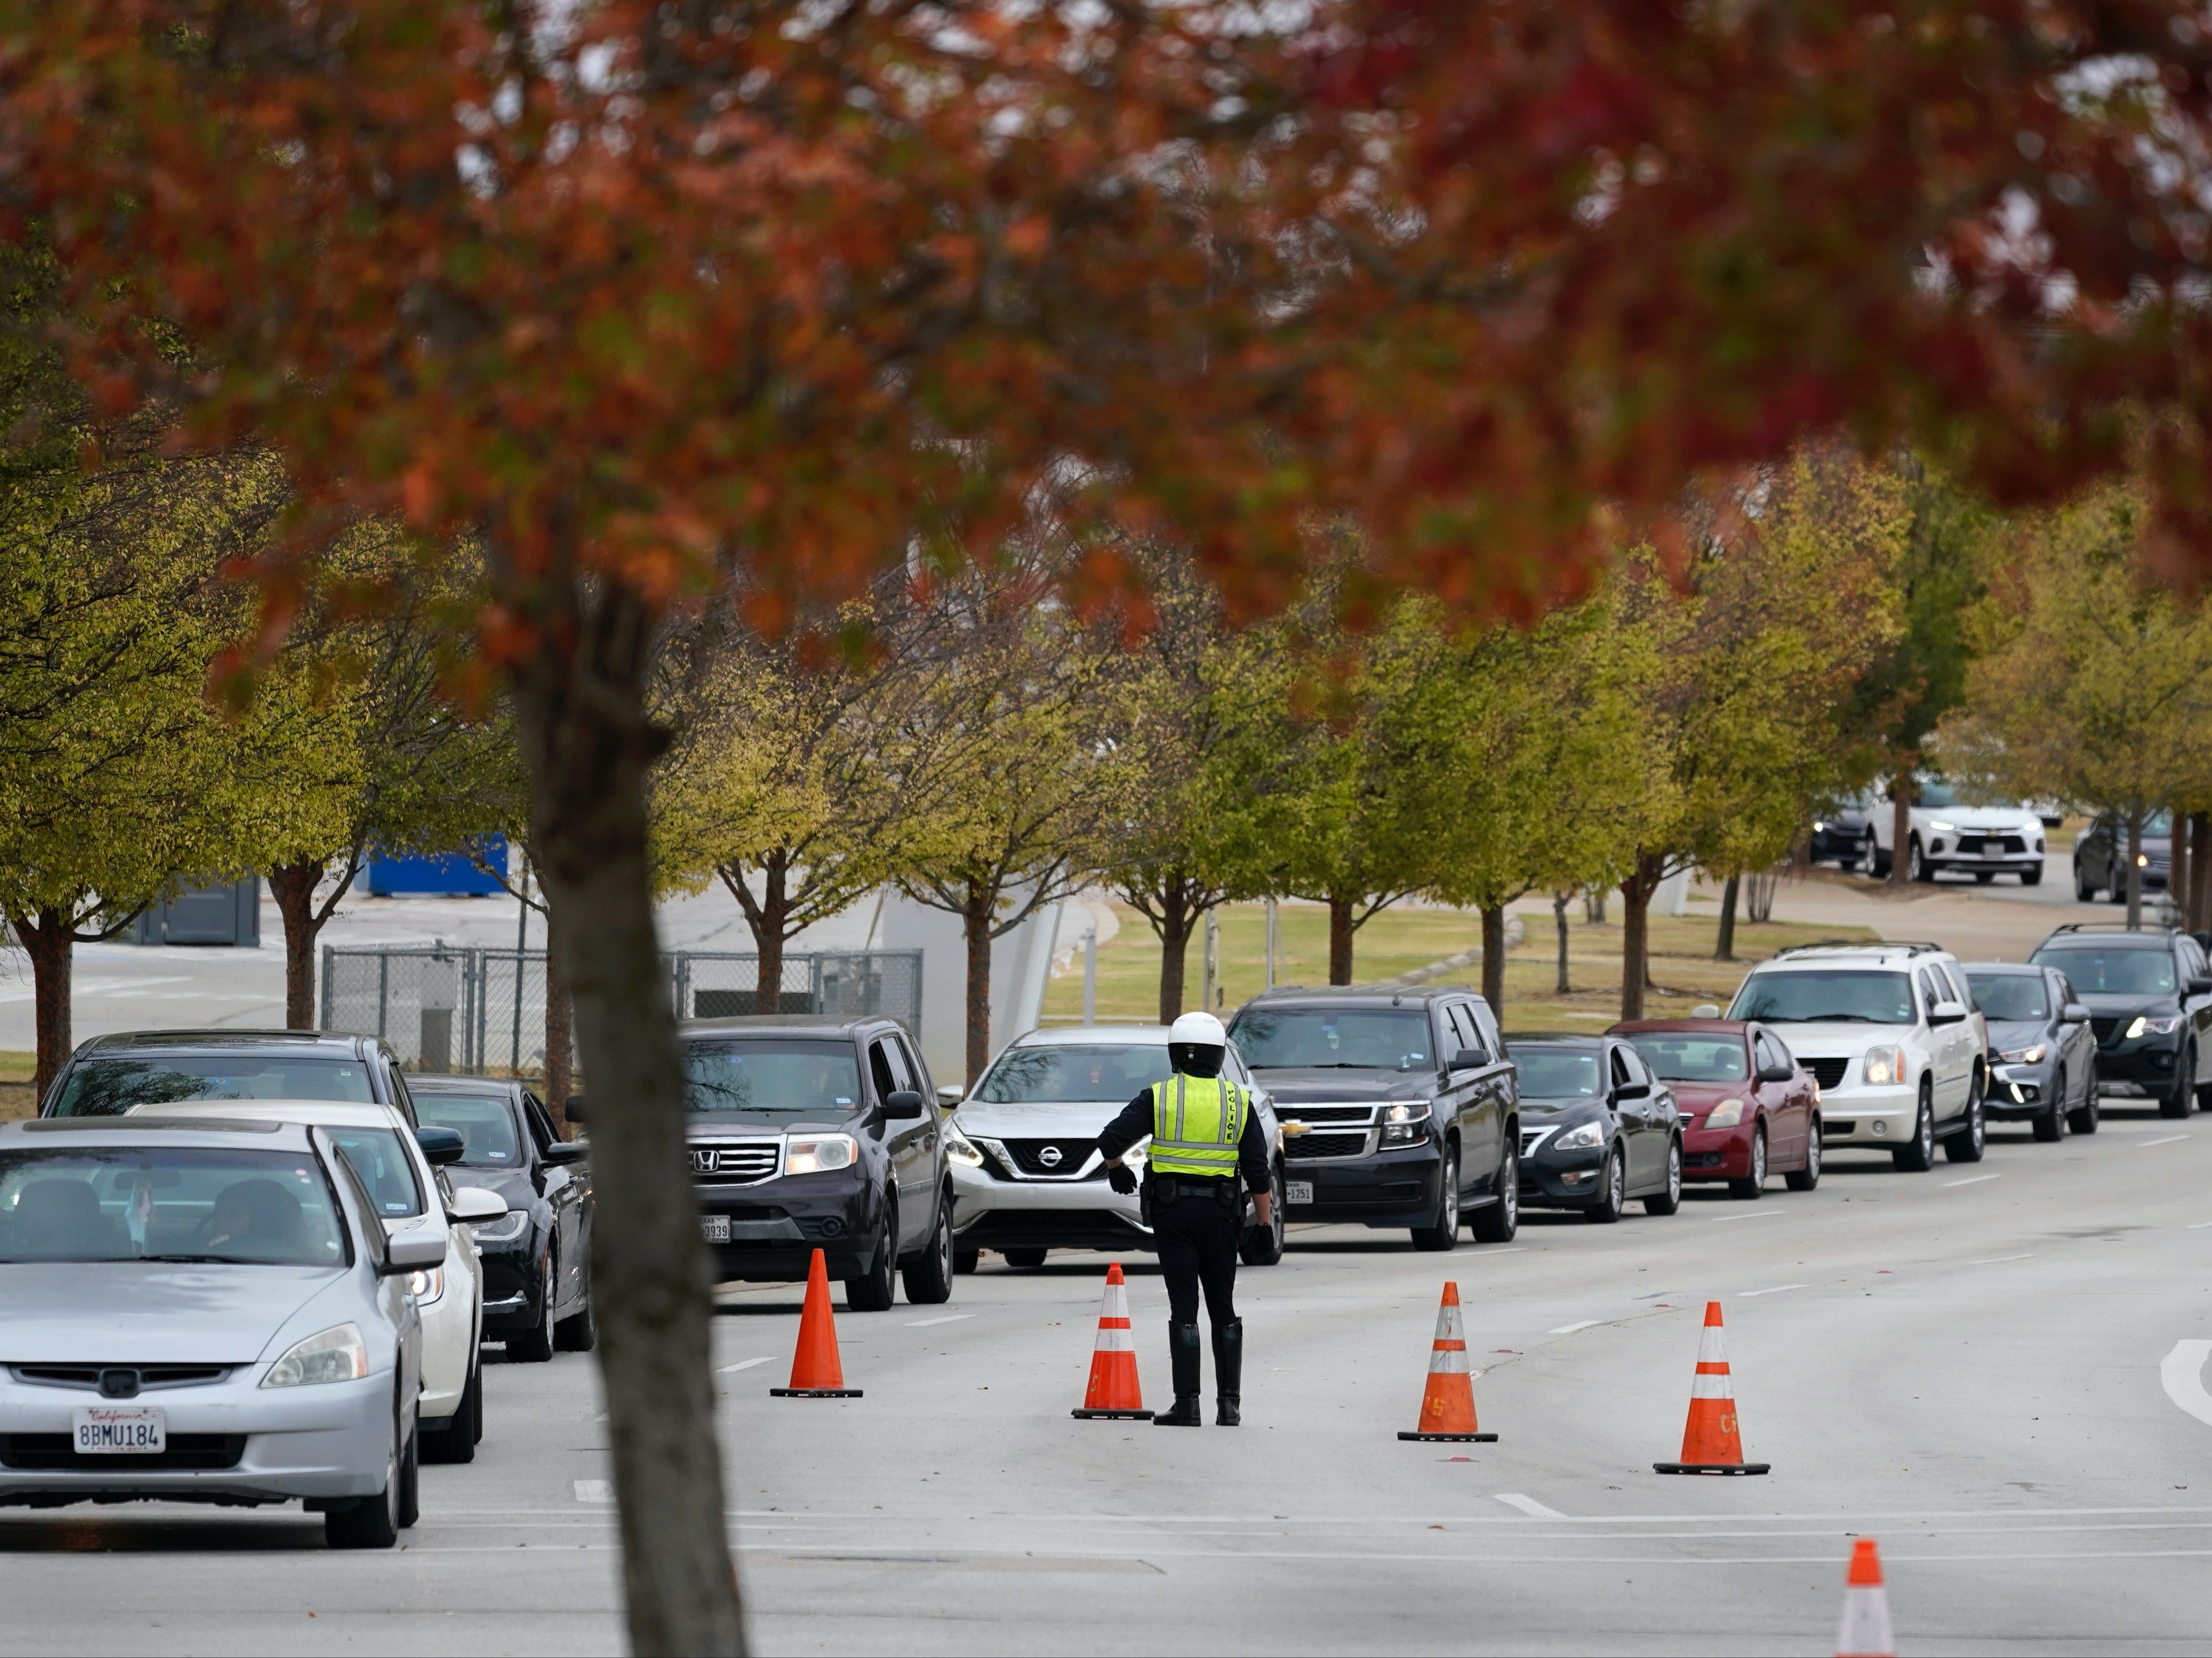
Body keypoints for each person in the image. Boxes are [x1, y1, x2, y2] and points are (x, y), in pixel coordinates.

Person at [1096, 1011, 1273, 1427]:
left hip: (1173, 1215)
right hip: (1221, 1216)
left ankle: (1187, 1405)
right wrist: (1263, 1225)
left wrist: (1117, 1168)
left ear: (1175, 1055)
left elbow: (1110, 1139)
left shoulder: (1158, 1096)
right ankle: (1229, 1407)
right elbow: (1258, 1171)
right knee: (1223, 1307)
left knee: (1184, 1307)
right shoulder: (1238, 1101)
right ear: (1219, 1058)